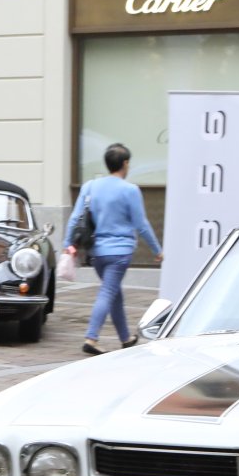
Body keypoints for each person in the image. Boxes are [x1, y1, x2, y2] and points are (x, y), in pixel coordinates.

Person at [64, 142, 163, 355]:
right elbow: (141, 224)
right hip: (120, 252)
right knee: (108, 292)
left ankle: (125, 338)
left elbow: (75, 218)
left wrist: (67, 244)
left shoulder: (90, 186)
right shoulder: (130, 190)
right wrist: (157, 250)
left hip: (96, 252)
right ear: (125, 163)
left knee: (114, 293)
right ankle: (91, 338)